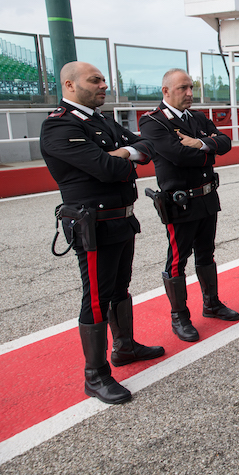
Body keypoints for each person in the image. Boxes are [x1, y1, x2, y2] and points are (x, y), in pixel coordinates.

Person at [40, 61, 164, 404]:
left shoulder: (100, 121)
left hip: (122, 219)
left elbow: (147, 146)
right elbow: (106, 169)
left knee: (120, 287)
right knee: (95, 298)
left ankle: (124, 346)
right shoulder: (59, 126)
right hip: (93, 225)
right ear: (69, 85)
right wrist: (125, 155)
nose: (103, 86)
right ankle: (94, 376)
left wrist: (123, 151)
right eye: (95, 80)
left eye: (104, 80)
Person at [139, 69, 239, 342]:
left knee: (206, 254)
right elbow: (178, 155)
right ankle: (179, 316)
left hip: (206, 198)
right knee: (177, 261)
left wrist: (200, 144)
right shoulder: (153, 122)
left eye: (191, 87)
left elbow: (226, 143)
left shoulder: (197, 117)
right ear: (166, 91)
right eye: (183, 88)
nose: (189, 93)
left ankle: (212, 304)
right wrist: (209, 149)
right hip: (179, 203)